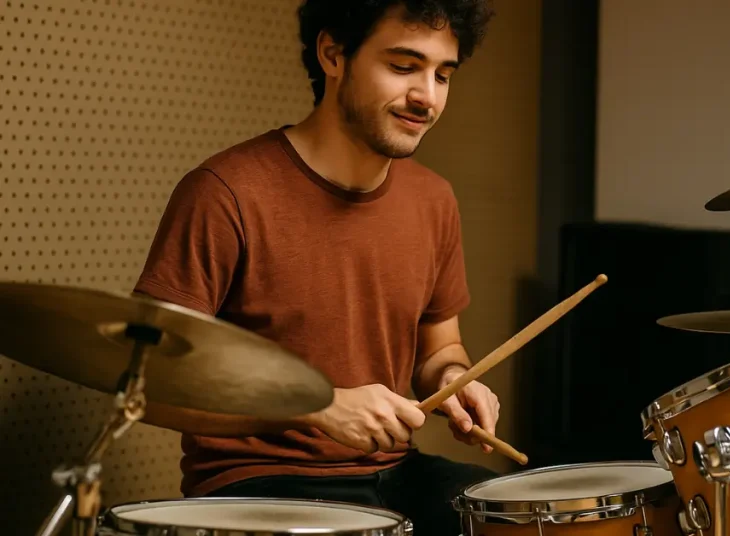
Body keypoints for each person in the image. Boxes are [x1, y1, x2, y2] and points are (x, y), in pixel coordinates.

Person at [132, 1, 500, 534]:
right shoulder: (225, 192)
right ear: (333, 54)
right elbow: (147, 386)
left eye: (443, 74)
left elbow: (440, 347)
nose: (428, 96)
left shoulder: (434, 199)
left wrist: (454, 379)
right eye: (403, 66)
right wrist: (315, 406)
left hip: (393, 472)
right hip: (256, 484)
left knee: (506, 515)